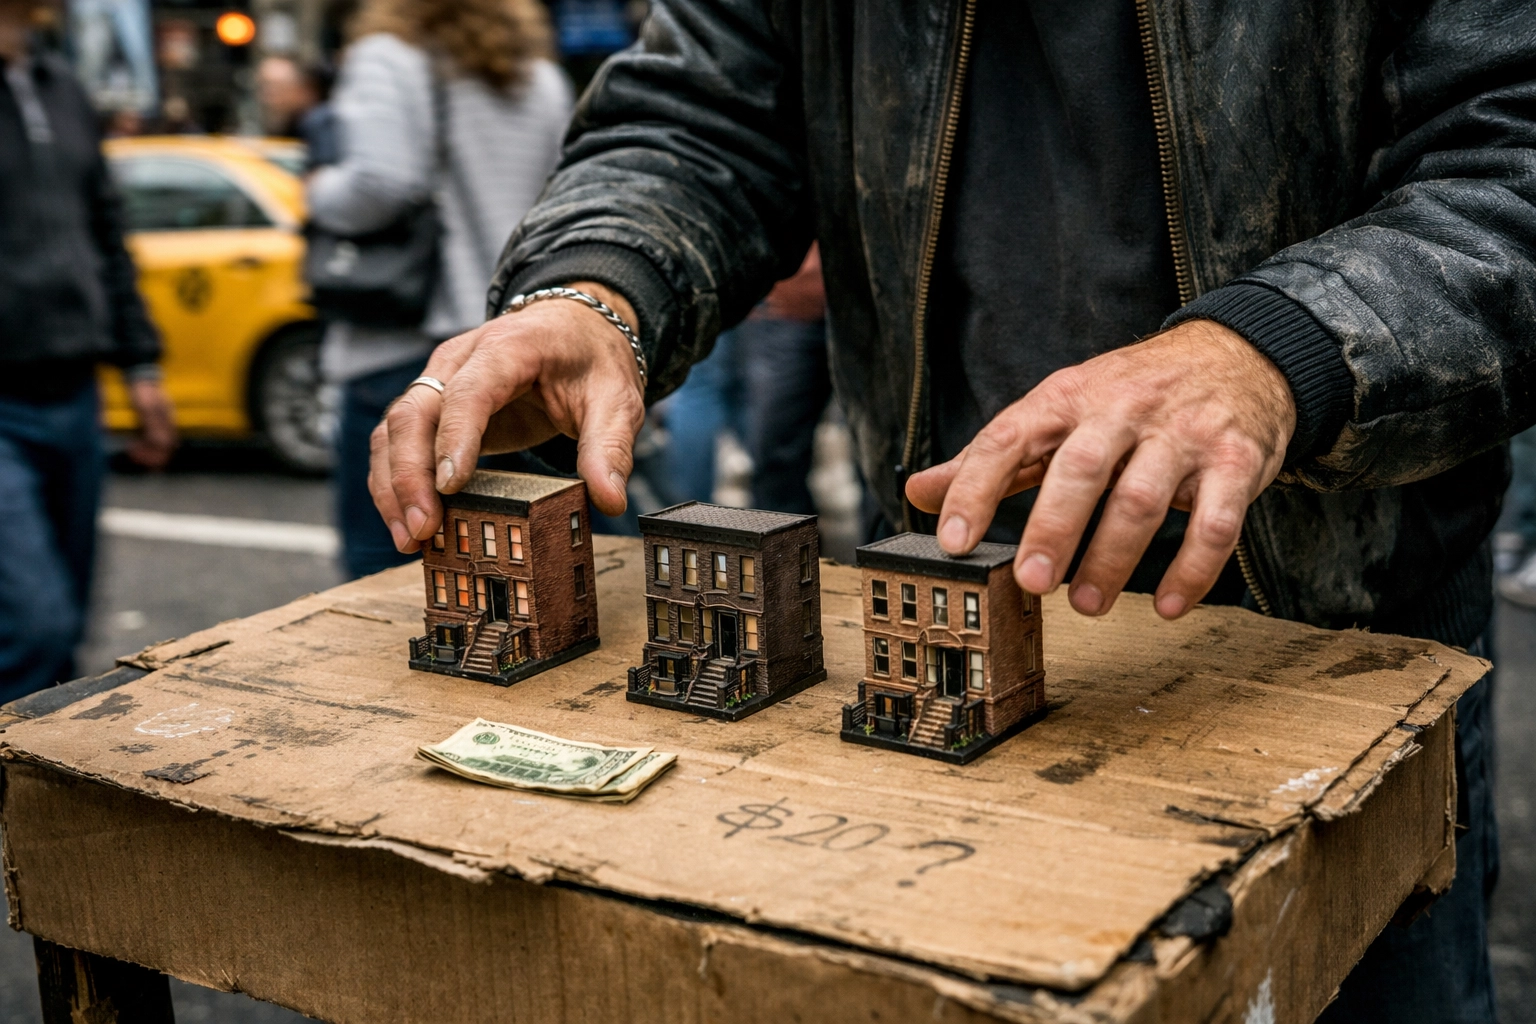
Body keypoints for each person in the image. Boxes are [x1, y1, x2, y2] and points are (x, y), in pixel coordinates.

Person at [371, 3, 1533, 1018]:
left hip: (1339, 642)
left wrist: (1274, 351)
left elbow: (1510, 156)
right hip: (952, 591)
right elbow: (702, 114)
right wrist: (595, 288)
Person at [307, 0, 572, 579]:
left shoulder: (389, 58)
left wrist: (318, 190)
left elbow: (380, 183)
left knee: (390, 562)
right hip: (516, 353)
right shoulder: (540, 78)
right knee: (526, 564)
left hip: (404, 347)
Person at [0, 0, 176, 702]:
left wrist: (141, 366)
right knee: (33, 623)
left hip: (74, 391)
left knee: (68, 631)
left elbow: (106, 232)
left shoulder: (61, 85)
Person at [256, 55, 339, 167]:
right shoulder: (291, 123)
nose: (266, 98)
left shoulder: (320, 123)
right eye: (262, 87)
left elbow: (323, 171)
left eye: (275, 88)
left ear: (306, 89)